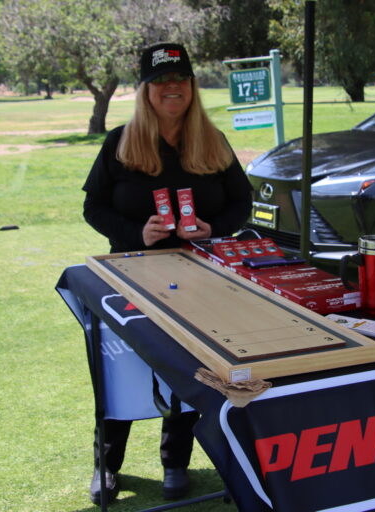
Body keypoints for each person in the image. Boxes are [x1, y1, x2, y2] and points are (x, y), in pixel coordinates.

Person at [81, 42, 253, 504]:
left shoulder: (213, 142)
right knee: (120, 368)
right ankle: (107, 462)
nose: (171, 87)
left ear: (192, 86)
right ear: (146, 90)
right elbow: (92, 207)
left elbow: (243, 202)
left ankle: (175, 459)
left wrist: (213, 227)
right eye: (160, 80)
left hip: (201, 276)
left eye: (179, 79)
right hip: (131, 276)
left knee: (189, 368)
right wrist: (139, 232)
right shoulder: (120, 140)